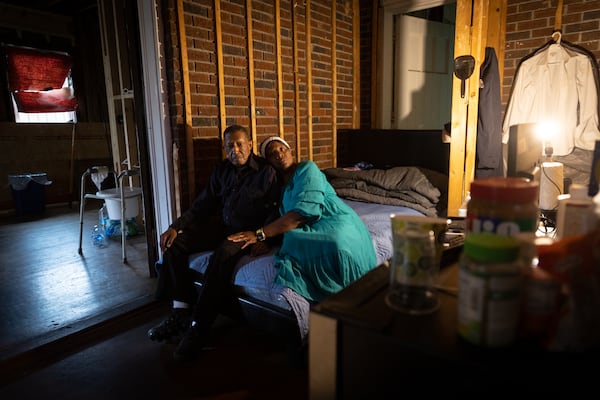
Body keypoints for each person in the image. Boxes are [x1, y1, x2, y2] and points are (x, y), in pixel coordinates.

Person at [147, 125, 281, 361]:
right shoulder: (222, 170)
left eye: (240, 143)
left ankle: (199, 327)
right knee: (175, 244)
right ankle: (180, 311)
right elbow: (202, 205)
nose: (235, 149)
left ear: (250, 144)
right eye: (229, 145)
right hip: (223, 226)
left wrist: (265, 237)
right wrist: (175, 227)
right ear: (224, 148)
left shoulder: (266, 172)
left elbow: (277, 209)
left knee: (222, 254)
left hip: (247, 233)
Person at [228, 136, 377, 303]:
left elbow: (301, 214)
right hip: (306, 227)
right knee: (292, 239)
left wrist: (260, 234)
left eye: (282, 149)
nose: (278, 154)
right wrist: (267, 242)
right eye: (272, 153)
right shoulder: (281, 189)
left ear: (290, 152)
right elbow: (280, 219)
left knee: (337, 242)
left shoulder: (307, 168)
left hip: (332, 218)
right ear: (268, 162)